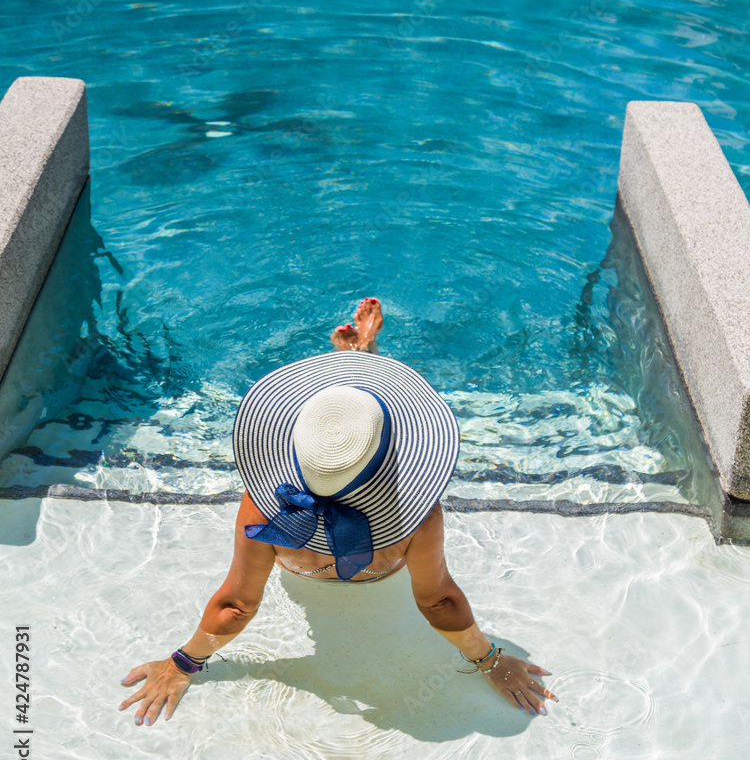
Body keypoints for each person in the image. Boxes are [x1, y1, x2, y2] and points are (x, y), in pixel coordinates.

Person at [119, 298, 558, 726]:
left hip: (301, 571)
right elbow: (438, 600)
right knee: (356, 436)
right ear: (402, 454)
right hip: (382, 564)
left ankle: (355, 362)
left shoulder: (270, 502)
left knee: (342, 432)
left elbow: (235, 605)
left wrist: (182, 664)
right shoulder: (415, 511)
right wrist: (489, 661)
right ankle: (362, 361)